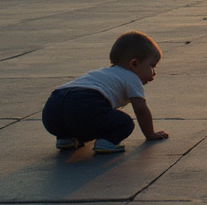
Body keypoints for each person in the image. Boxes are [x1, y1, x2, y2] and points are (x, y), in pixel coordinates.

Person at [41, 30, 169, 154]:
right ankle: (106, 142)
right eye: (152, 67)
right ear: (134, 63)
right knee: (124, 122)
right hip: (82, 104)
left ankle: (65, 138)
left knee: (79, 117)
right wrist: (150, 134)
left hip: (52, 110)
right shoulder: (131, 77)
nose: (154, 73)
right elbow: (141, 110)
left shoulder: (102, 73)